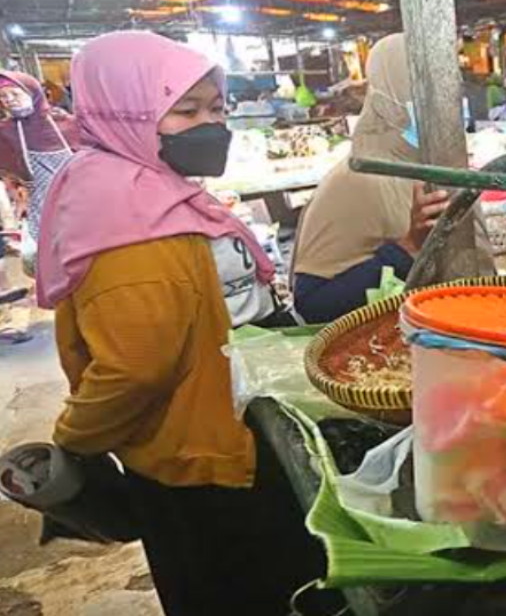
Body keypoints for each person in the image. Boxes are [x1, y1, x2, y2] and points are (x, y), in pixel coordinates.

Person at [37, 31, 330, 615]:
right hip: (201, 454)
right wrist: (75, 439)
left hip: (232, 419)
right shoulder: (129, 220)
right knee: (244, 587)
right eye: (186, 110)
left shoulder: (154, 188)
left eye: (217, 108)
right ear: (125, 112)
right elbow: (138, 366)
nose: (211, 125)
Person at [292, 33, 494, 324]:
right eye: (427, 89)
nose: (446, 101)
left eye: (449, 86)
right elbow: (312, 306)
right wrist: (407, 249)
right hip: (391, 354)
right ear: (390, 94)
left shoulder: (445, 166)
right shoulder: (356, 179)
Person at [0, 70, 77, 275]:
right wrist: (16, 191)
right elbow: (9, 172)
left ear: (33, 93)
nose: (9, 101)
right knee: (49, 251)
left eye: (15, 95)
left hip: (75, 197)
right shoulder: (5, 131)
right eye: (3, 97)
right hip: (38, 201)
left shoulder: (63, 122)